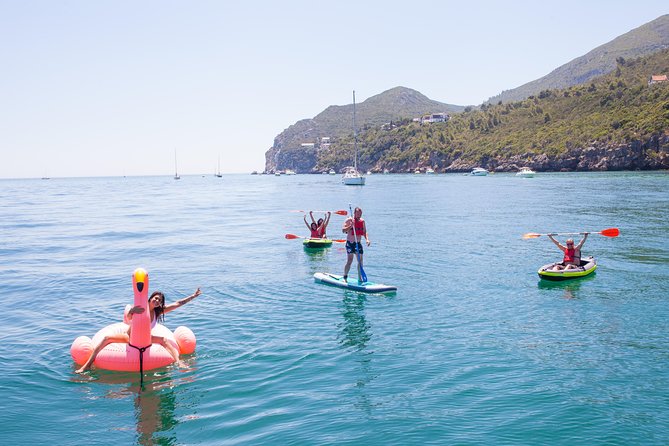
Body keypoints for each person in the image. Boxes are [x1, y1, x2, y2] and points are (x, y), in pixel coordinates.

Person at [75, 288, 202, 373]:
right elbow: (130, 317)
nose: (157, 301)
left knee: (164, 340)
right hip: (129, 337)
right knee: (106, 339)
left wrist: (193, 296)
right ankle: (86, 366)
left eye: (159, 300)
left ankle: (179, 362)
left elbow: (178, 303)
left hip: (146, 339)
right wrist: (131, 311)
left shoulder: (158, 312)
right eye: (155, 298)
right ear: (150, 298)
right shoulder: (141, 308)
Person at [342, 206, 371, 283]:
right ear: (354, 213)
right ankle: (345, 276)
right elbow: (343, 230)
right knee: (350, 260)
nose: (359, 215)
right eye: (358, 214)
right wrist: (350, 226)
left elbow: (364, 232)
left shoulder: (362, 221)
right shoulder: (349, 220)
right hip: (350, 243)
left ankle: (359, 278)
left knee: (360, 261)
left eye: (360, 214)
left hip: (358, 243)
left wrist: (367, 239)